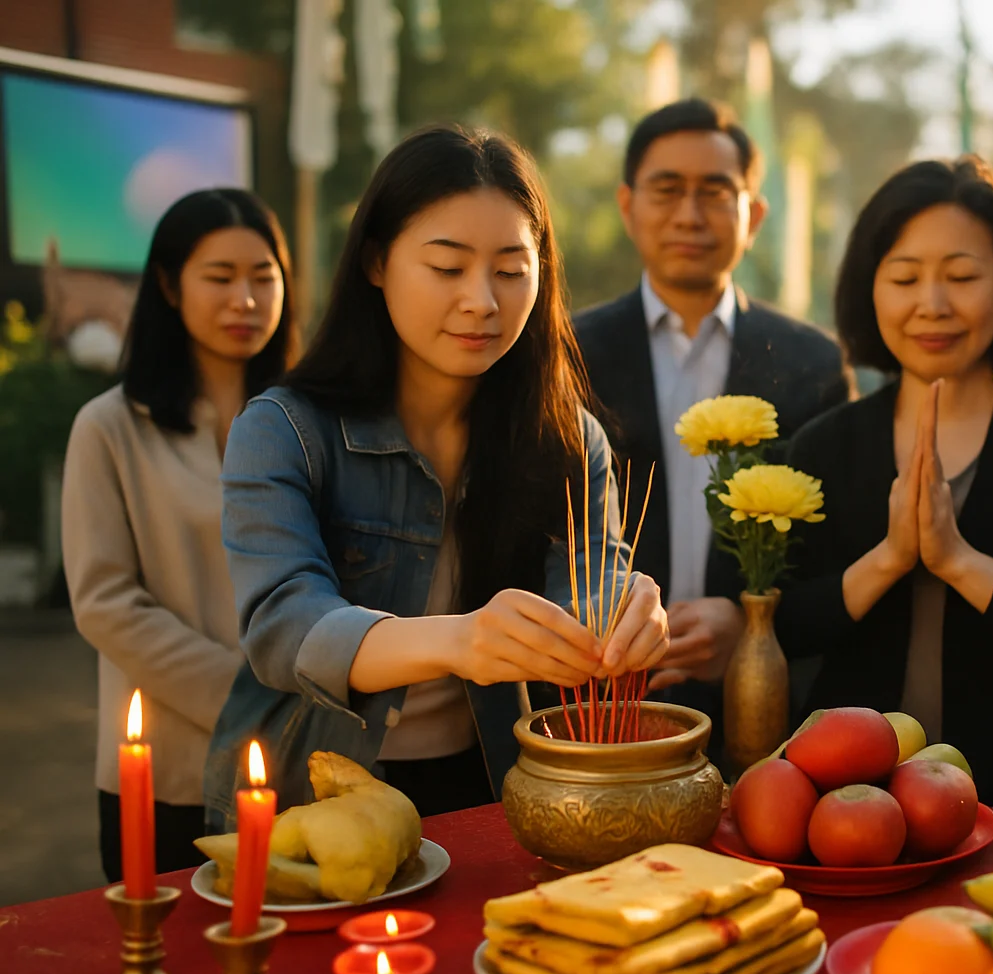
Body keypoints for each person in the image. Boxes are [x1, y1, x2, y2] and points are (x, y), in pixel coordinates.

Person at [204, 126, 669, 830]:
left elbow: (588, 578)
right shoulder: (285, 429)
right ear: (377, 262)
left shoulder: (568, 437)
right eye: (448, 268)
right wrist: (459, 640)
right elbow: (283, 626)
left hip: (492, 782)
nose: (482, 300)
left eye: (512, 269)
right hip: (307, 795)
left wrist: (625, 611)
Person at [776, 156, 993, 814]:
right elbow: (784, 628)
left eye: (962, 276)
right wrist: (887, 561)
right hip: (846, 805)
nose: (933, 305)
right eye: (905, 277)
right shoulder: (825, 445)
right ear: (869, 289)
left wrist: (959, 563)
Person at [574, 98, 849, 713]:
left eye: (716, 192)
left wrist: (756, 623)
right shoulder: (567, 354)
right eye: (667, 190)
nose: (690, 215)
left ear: (753, 215)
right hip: (600, 691)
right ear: (627, 206)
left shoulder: (813, 363)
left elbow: (831, 547)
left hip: (762, 693)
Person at [61, 189, 298, 879]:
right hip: (164, 769)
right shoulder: (110, 427)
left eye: (263, 277)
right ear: (168, 285)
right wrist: (244, 697)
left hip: (298, 759)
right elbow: (105, 601)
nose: (246, 300)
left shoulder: (310, 423)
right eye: (220, 278)